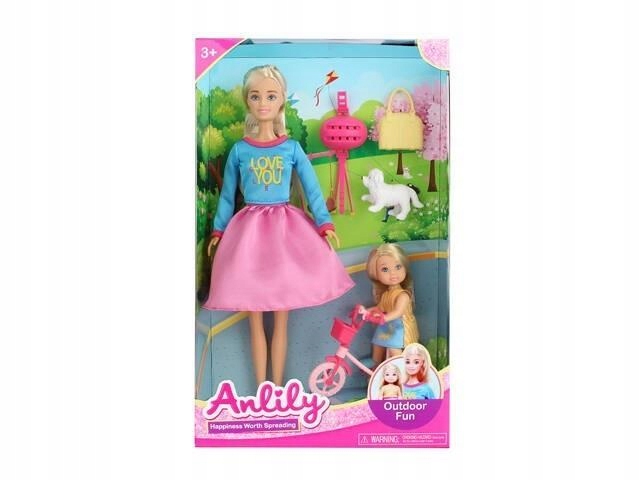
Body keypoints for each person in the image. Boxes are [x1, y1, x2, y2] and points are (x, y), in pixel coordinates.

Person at [202, 65, 354, 387]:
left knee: (282, 320)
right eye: (255, 96)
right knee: (254, 321)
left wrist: (324, 224)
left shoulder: (291, 148)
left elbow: (312, 190)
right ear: (247, 100)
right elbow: (227, 197)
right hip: (248, 232)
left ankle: (278, 386)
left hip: (285, 230)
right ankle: (263, 389)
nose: (263, 103)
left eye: (270, 96)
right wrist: (218, 231)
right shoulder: (240, 150)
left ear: (281, 100)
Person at [365, 244, 419, 364]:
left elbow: (398, 312)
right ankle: (375, 363)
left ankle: (399, 366)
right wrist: (366, 312)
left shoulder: (403, 295)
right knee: (377, 342)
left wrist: (383, 318)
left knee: (394, 348)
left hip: (401, 327)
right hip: (388, 325)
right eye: (385, 269)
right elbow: (379, 308)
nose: (393, 273)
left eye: (398, 267)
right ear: (376, 273)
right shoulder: (386, 294)